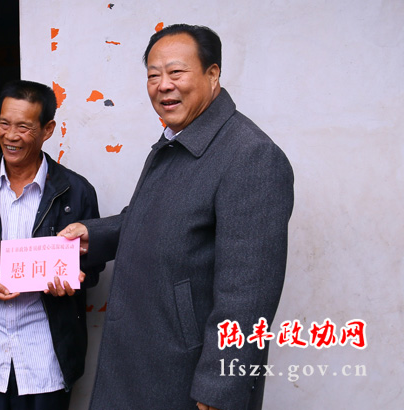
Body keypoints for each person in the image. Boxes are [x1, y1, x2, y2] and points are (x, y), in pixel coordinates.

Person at [60, 24, 294, 410]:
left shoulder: (250, 155)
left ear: (212, 74)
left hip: (184, 372)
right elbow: (159, 218)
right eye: (154, 75)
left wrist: (220, 388)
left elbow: (248, 295)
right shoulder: (178, 139)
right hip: (144, 354)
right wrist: (95, 235)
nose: (164, 85)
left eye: (176, 72)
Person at [0, 80, 104, 410]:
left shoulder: (76, 191)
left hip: (45, 360)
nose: (10, 136)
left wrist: (72, 279)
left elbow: (91, 266)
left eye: (23, 127)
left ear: (47, 129)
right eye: (4, 123)